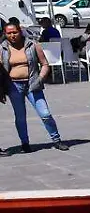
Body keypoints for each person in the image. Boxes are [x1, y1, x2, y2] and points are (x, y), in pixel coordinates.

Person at [2, 19, 67, 153]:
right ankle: (25, 143)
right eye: (9, 33)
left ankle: (56, 140)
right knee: (20, 116)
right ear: (5, 34)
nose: (12, 35)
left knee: (45, 114)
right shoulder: (2, 48)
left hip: (32, 84)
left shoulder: (32, 44)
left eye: (15, 32)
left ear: (20, 31)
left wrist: (40, 78)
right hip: (14, 86)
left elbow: (45, 64)